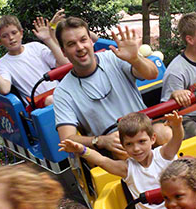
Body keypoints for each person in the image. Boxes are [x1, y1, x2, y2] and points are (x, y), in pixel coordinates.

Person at [54, 17, 170, 158]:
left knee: (165, 133)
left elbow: (152, 74)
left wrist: (135, 59)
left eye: (83, 40)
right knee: (123, 150)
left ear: (91, 41)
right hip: (115, 145)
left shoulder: (113, 57)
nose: (80, 47)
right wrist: (101, 140)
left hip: (146, 129)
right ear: (64, 52)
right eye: (72, 44)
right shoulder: (63, 92)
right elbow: (67, 139)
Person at [60, 110, 183, 209]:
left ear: (152, 139)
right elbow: (102, 161)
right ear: (123, 145)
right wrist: (82, 150)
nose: (136, 148)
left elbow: (176, 140)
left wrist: (177, 126)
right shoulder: (127, 168)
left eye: (141, 141)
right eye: (129, 144)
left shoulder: (164, 155)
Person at [0, 11, 68, 106]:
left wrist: (48, 39)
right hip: (38, 103)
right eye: (5, 36)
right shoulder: (3, 64)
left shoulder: (36, 47)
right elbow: (4, 89)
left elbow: (65, 64)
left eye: (14, 33)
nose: (11, 38)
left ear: (21, 33)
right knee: (52, 100)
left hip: (58, 92)